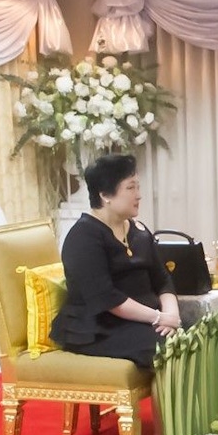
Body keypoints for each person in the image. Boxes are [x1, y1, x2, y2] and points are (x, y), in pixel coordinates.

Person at [50, 154, 179, 369]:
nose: (139, 195)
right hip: (99, 328)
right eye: (130, 188)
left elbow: (162, 279)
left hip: (141, 320)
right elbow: (107, 298)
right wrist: (158, 318)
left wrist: (171, 314)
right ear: (105, 195)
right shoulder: (83, 237)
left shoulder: (139, 230)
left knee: (201, 335)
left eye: (138, 187)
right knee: (169, 348)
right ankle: (171, 404)